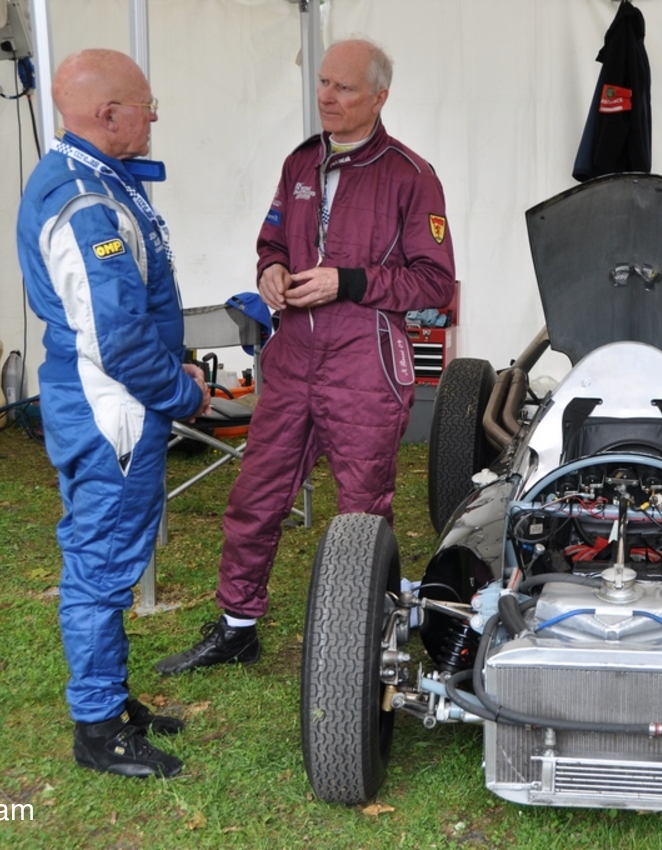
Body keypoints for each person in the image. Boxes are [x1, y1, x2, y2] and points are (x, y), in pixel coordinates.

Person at [156, 38, 456, 674]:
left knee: (363, 507)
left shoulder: (411, 175)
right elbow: (272, 239)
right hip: (293, 355)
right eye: (323, 82)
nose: (327, 96)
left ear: (379, 97)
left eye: (344, 87)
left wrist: (347, 281)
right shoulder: (300, 162)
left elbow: (434, 283)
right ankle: (237, 626)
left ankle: (366, 635)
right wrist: (270, 268)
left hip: (364, 361)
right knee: (257, 492)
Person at [17, 49, 211, 778]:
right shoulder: (85, 202)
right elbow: (118, 338)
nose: (153, 118)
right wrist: (184, 393)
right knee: (101, 567)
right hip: (110, 414)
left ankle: (110, 701)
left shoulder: (90, 178)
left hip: (98, 403)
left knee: (100, 555)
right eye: (146, 106)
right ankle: (98, 729)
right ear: (109, 114)